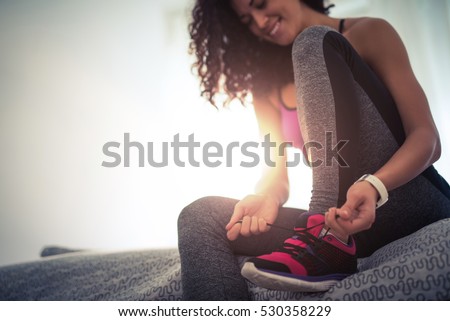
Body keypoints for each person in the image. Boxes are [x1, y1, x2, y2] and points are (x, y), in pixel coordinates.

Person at [178, 0, 450, 300]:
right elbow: (275, 172)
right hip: (344, 222)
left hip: (408, 200)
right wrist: (267, 195)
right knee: (201, 216)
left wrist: (374, 185)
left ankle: (323, 239)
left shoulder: (369, 32)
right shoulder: (265, 86)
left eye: (260, 3)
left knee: (313, 40)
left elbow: (427, 139)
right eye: (246, 21)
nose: (259, 21)